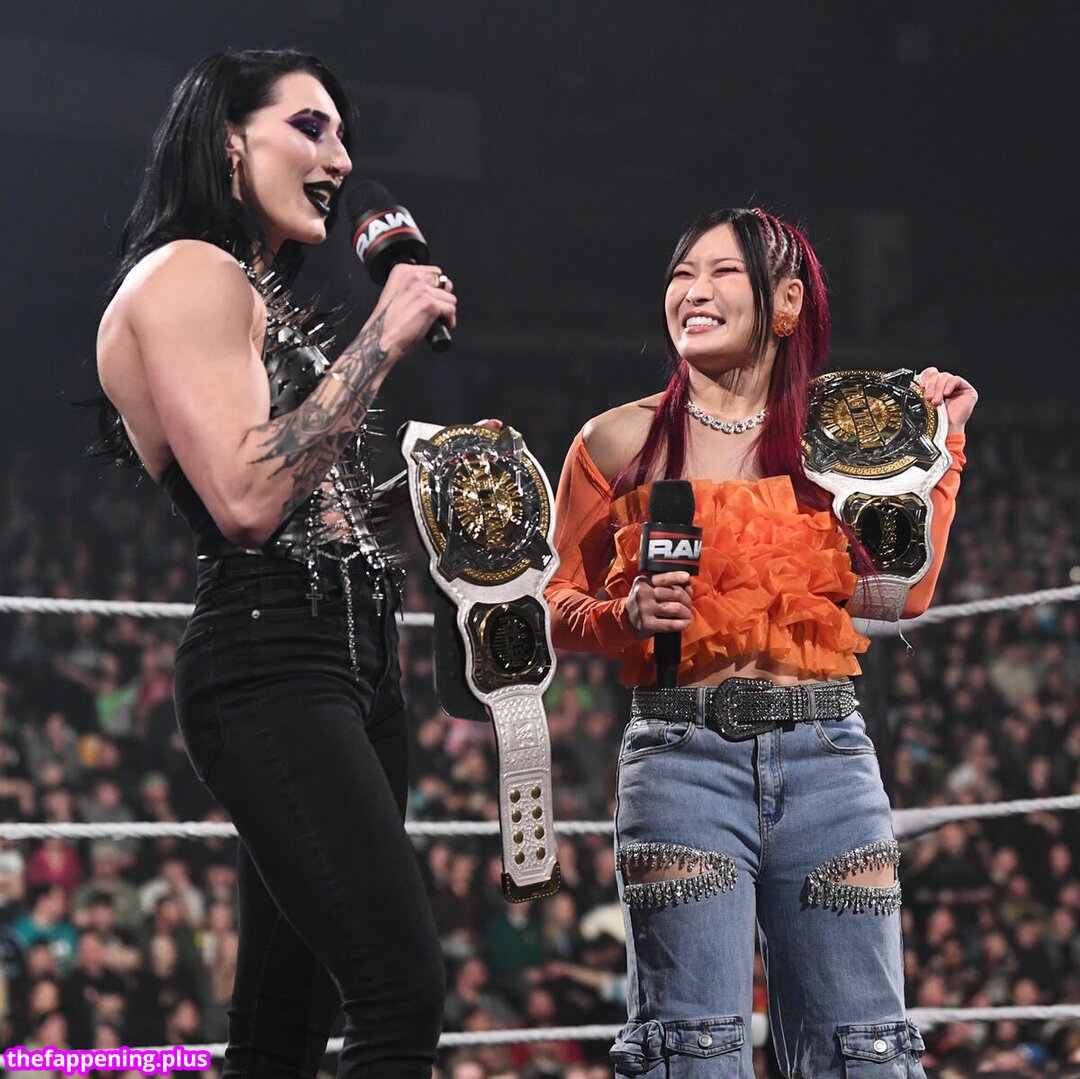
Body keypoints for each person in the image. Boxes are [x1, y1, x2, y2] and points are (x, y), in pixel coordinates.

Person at [545, 208, 977, 1078]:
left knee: (864, 1051)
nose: (693, 291)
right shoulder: (615, 439)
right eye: (680, 273)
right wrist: (624, 615)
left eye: (721, 272)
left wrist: (940, 449)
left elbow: (901, 593)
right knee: (693, 1054)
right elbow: (552, 604)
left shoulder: (842, 438)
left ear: (786, 301)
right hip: (682, 764)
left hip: (830, 760)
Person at [94, 49, 457, 1077]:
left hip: (345, 653)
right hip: (275, 654)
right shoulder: (188, 272)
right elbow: (248, 499)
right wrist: (384, 334)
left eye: (343, 135)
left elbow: (293, 487)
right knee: (398, 996)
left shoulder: (247, 287)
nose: (339, 159)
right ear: (227, 141)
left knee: (282, 1030)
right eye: (310, 127)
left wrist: (428, 495)